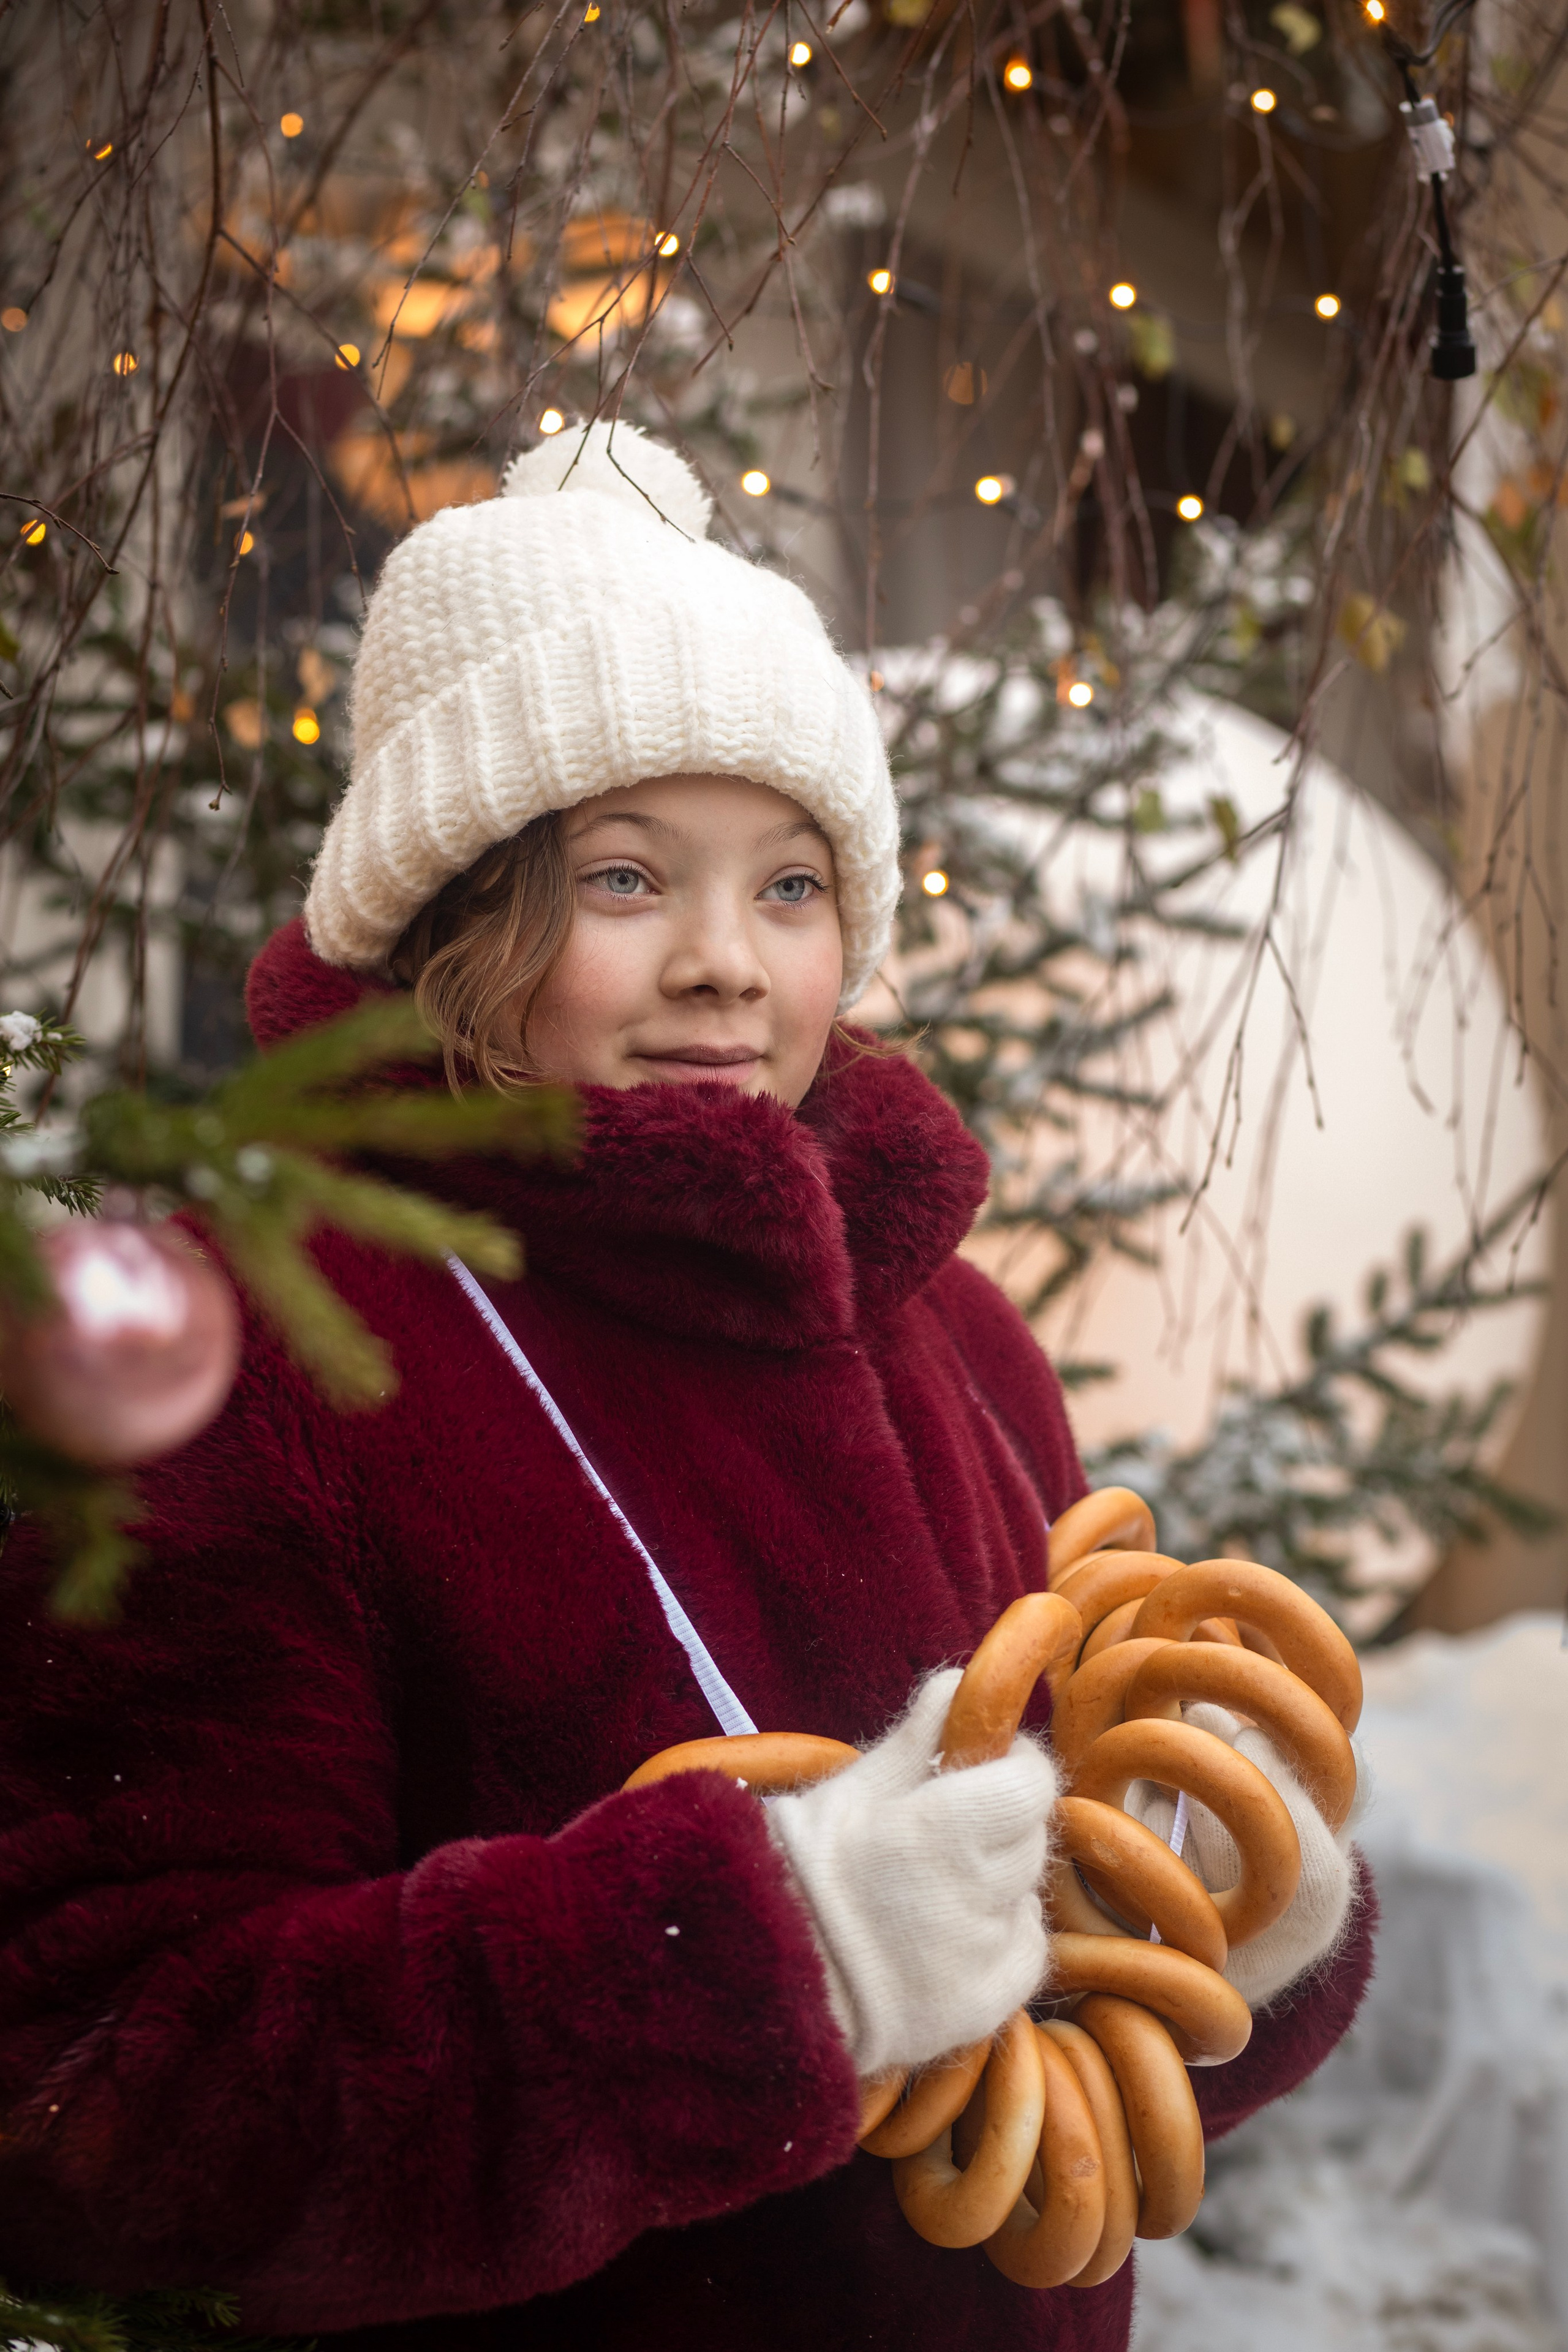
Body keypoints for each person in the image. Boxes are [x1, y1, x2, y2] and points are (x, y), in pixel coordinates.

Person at [0, 423, 1373, 2352]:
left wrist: (1221, 1916)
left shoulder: (949, 1334)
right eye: (630, 877)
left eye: (794, 887)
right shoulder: (271, 1356)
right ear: (456, 923)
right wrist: (765, 1955)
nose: (730, 967)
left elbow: (1082, 2074)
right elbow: (103, 2103)